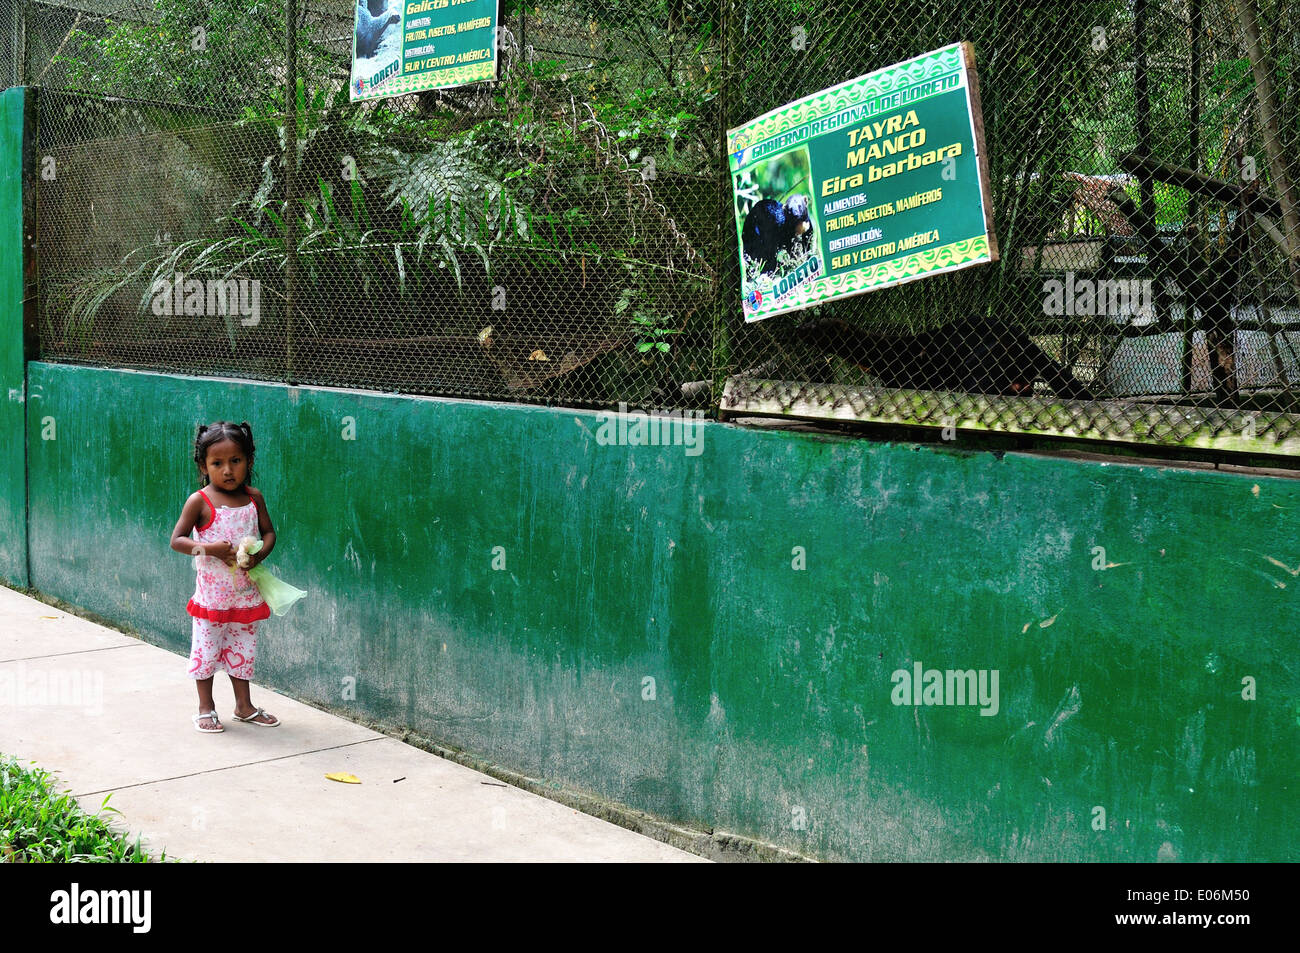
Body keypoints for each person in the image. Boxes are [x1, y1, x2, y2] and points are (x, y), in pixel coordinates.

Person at [169, 420, 281, 733]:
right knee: (206, 652)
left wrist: (259, 555)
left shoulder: (253, 498)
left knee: (243, 652)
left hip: (246, 597)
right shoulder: (199, 502)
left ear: (249, 461)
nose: (228, 470)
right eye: (218, 463)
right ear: (204, 466)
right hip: (211, 600)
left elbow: (269, 533)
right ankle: (206, 707)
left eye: (236, 461)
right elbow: (178, 541)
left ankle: (244, 706)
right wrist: (209, 549)